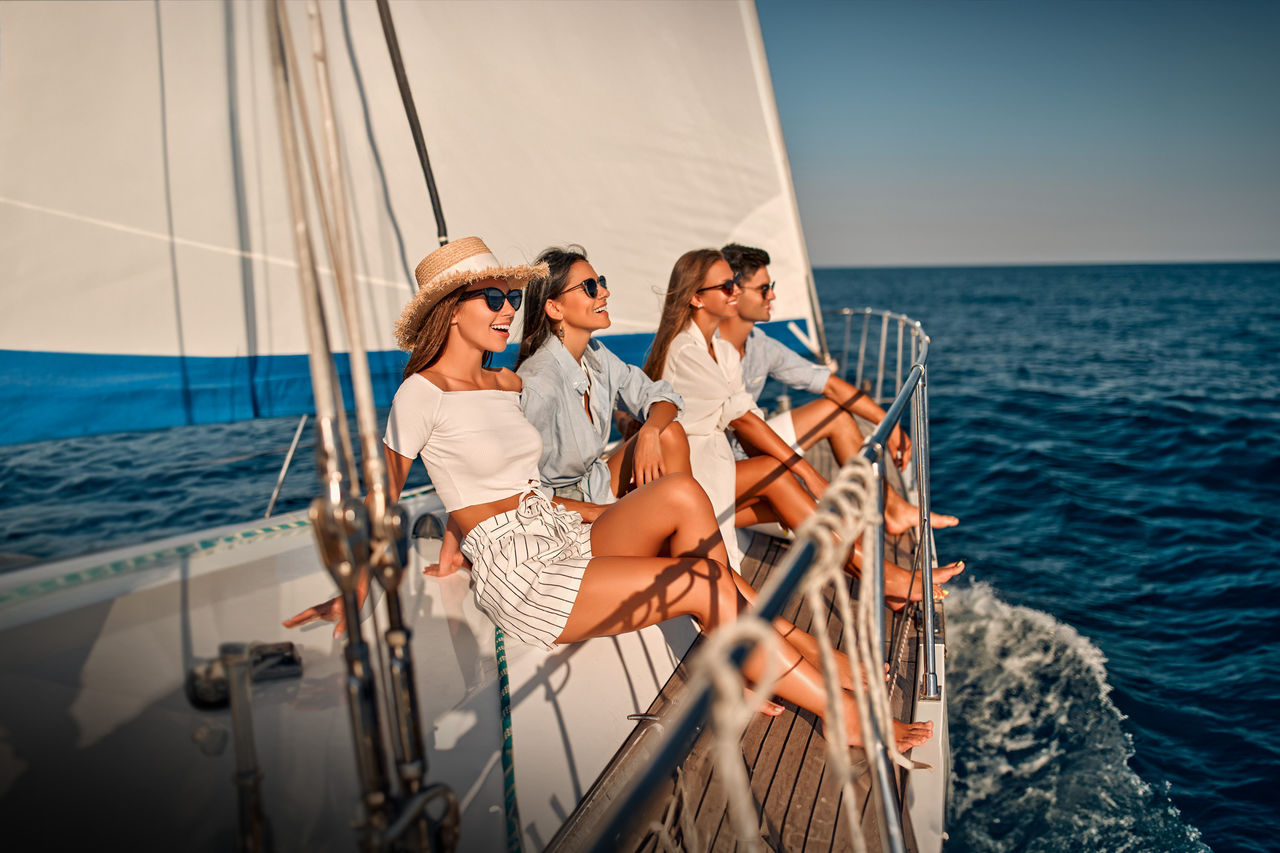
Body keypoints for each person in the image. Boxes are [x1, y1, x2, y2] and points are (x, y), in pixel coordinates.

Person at [284, 237, 932, 752]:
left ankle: (776, 653)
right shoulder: (420, 395)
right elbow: (384, 500)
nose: (510, 308)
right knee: (704, 583)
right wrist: (356, 588)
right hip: (521, 570)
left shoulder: (505, 383)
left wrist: (604, 509)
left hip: (560, 526)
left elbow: (525, 485)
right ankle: (839, 710)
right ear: (451, 308)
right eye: (493, 297)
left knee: (682, 500)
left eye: (512, 296)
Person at [642, 249, 963, 605]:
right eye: (729, 286)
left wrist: (808, 477)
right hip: (694, 476)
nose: (737, 293)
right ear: (696, 297)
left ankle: (887, 581)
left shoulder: (724, 349)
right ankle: (889, 578)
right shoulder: (687, 352)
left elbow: (755, 412)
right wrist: (808, 475)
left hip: (721, 471)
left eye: (737, 285)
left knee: (821, 512)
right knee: (785, 481)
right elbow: (742, 421)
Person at [718, 243, 958, 536]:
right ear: (733, 292)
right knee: (840, 525)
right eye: (764, 289)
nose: (773, 296)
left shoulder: (760, 345)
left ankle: (891, 506)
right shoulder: (706, 347)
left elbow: (829, 385)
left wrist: (889, 425)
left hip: (746, 451)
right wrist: (808, 475)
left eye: (773, 287)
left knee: (835, 412)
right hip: (723, 470)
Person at [516, 245, 689, 504]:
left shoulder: (595, 356)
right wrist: (598, 514)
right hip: (562, 511)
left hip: (596, 486)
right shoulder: (539, 383)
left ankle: (681, 531)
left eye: (601, 282)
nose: (605, 293)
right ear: (554, 309)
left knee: (669, 433)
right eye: (590, 287)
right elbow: (516, 486)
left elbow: (659, 395)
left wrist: (650, 431)